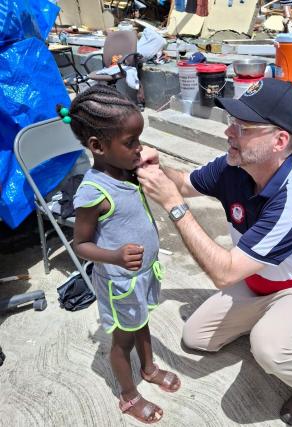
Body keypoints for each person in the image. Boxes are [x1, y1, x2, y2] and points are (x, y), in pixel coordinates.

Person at [137, 78, 292, 426]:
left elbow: (224, 272)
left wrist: (174, 206)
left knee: (270, 347)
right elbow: (184, 183)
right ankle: (278, 325)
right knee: (195, 338)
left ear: (279, 140)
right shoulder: (234, 166)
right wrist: (157, 165)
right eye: (232, 123)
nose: (229, 132)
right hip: (264, 280)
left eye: (243, 127)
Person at [65, 86, 180, 424]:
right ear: (98, 147)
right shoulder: (93, 192)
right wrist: (114, 256)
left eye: (138, 139)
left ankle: (148, 368)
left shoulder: (128, 172)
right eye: (131, 142)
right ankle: (128, 394)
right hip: (120, 283)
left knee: (143, 324)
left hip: (143, 276)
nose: (139, 148)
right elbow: (80, 245)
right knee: (122, 341)